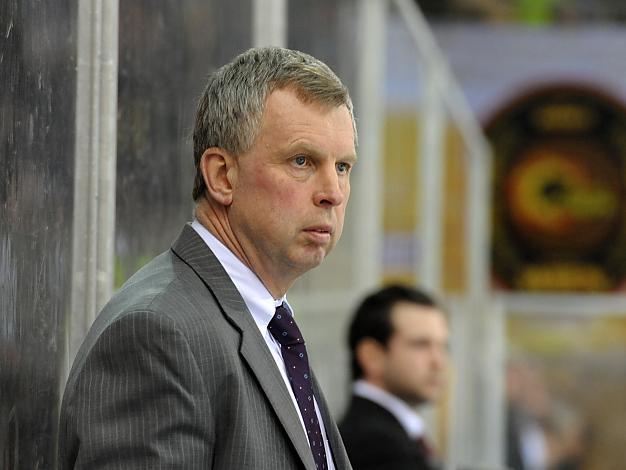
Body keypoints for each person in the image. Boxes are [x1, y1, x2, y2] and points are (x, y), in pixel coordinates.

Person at [58, 46, 357, 469]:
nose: (333, 192)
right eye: (302, 161)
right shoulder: (158, 333)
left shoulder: (267, 321)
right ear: (221, 176)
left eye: (343, 166)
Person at [339, 285, 449, 470]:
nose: (439, 362)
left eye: (443, 347)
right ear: (372, 356)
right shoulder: (377, 446)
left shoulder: (391, 436)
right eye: (421, 345)